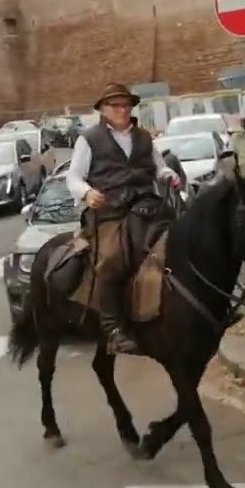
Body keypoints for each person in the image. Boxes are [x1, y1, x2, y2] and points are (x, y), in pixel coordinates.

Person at [65, 83, 181, 356]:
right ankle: (113, 328)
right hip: (110, 211)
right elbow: (73, 176)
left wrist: (168, 176)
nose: (123, 110)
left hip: (146, 206)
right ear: (104, 110)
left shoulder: (143, 137)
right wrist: (87, 192)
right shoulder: (89, 139)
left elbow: (158, 167)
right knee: (112, 258)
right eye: (116, 105)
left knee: (183, 239)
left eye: (126, 105)